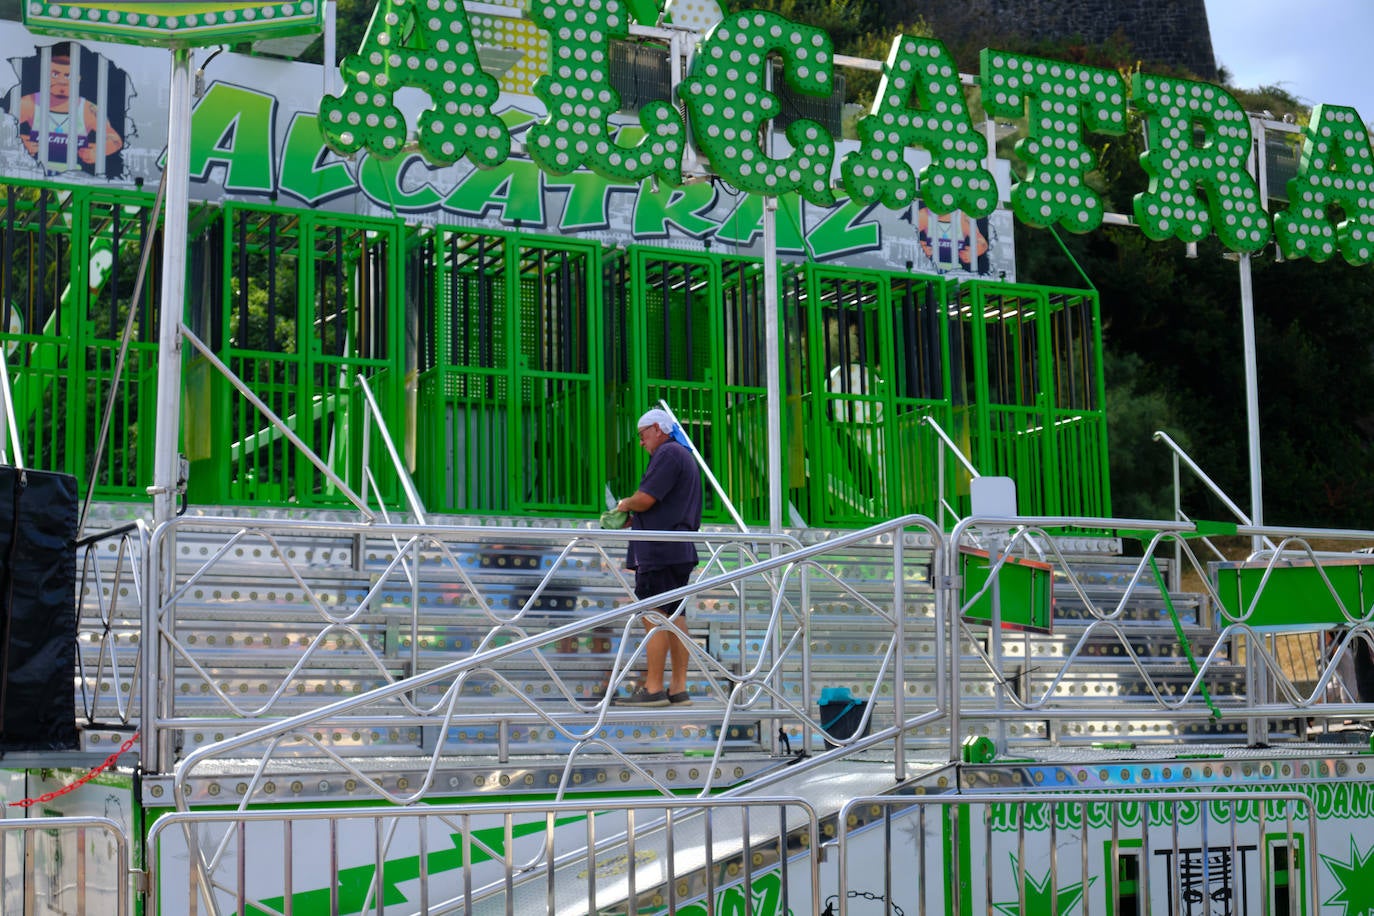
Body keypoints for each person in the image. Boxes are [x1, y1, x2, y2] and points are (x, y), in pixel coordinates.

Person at [611, 408, 703, 707]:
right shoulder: (683, 455)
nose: (641, 443)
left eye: (643, 435)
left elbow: (645, 499)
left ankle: (653, 688)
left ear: (657, 429)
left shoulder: (668, 453)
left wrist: (625, 504)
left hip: (659, 549)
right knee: (676, 617)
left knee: (654, 615)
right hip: (678, 547)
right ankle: (678, 688)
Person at [17, 46, 123, 173]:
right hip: (34, 173)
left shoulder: (88, 109)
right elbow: (4, 127)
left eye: (68, 75)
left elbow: (115, 139)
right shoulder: (29, 103)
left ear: (78, 79)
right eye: (55, 74)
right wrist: (19, 143)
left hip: (72, 176)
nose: (62, 81)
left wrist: (98, 151)